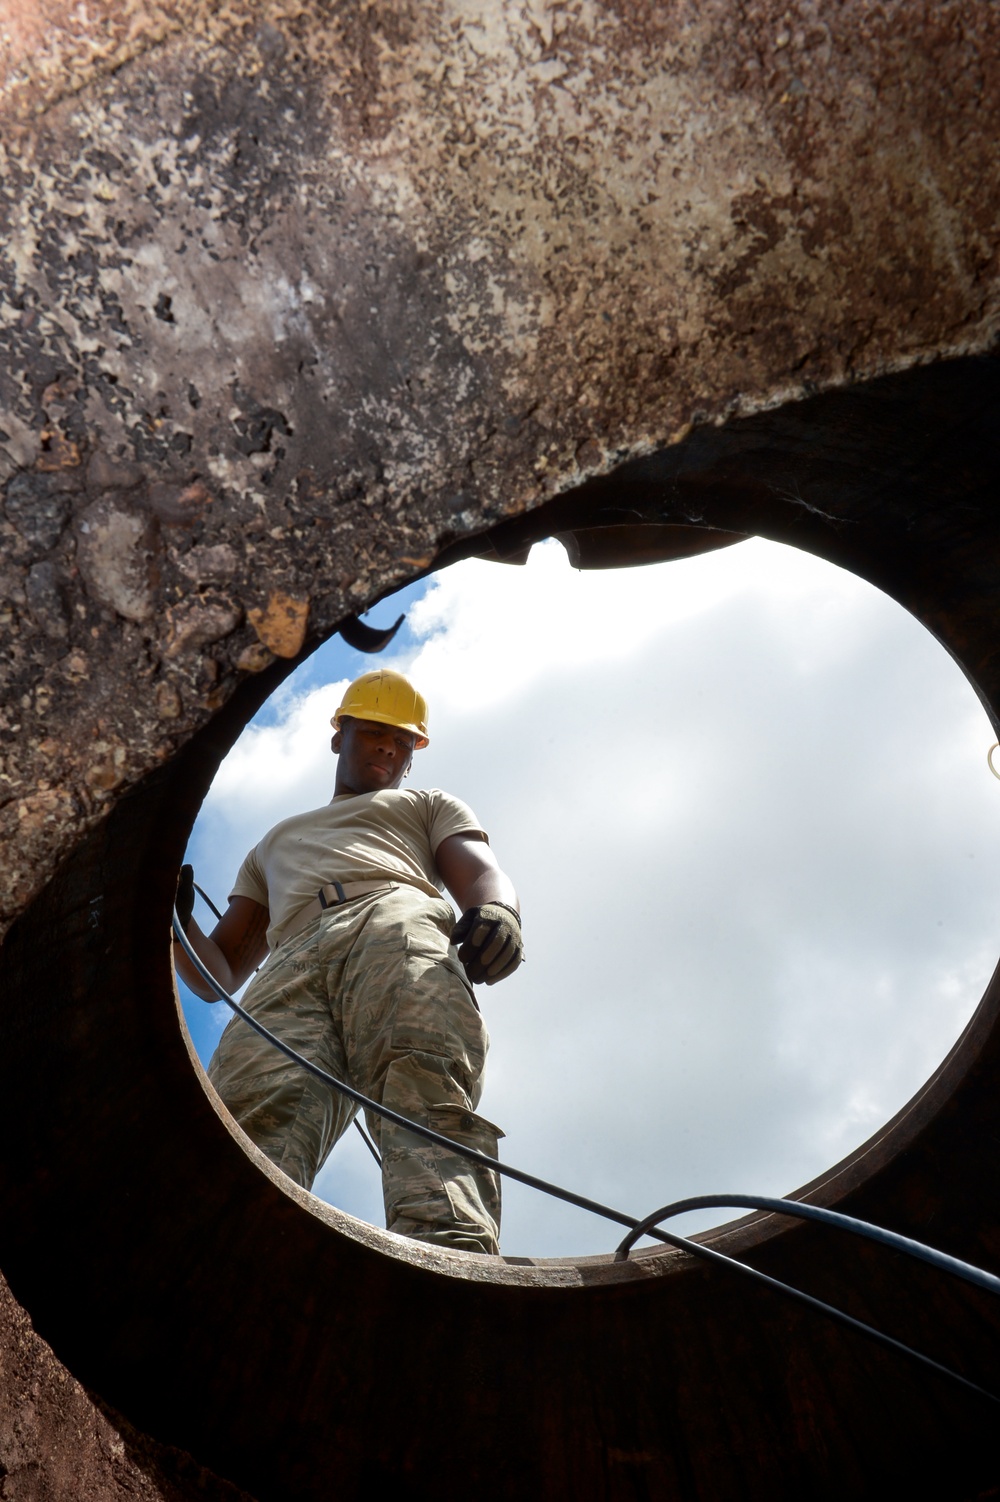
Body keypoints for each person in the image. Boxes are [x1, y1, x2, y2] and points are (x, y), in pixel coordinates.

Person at [173, 667, 522, 1256]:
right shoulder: (275, 843)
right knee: (248, 1112)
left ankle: (454, 1263)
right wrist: (178, 923)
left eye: (402, 739)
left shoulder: (426, 805)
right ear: (340, 736)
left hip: (391, 917)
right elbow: (220, 974)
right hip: (289, 960)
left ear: (413, 755)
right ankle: (228, 1268)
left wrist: (499, 911)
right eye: (372, 731)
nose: (387, 745)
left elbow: (479, 868)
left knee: (421, 1080)